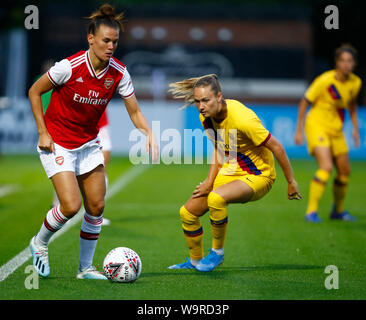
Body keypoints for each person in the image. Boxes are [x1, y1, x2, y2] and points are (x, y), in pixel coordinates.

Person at [28, 4, 158, 279]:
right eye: (106, 41)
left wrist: (148, 132)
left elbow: (134, 110)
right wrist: (42, 132)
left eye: (115, 42)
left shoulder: (119, 73)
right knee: (70, 206)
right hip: (58, 143)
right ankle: (39, 243)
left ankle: (85, 268)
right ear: (91, 39)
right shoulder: (69, 67)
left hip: (88, 144)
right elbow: (34, 91)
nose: (111, 47)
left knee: (97, 206)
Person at [167, 74, 302, 272]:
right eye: (197, 101)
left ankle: (217, 254)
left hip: (259, 175)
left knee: (215, 199)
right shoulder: (205, 117)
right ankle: (195, 261)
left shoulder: (242, 119)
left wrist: (291, 181)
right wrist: (208, 181)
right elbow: (219, 149)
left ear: (219, 97)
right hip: (231, 169)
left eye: (206, 100)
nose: (201, 106)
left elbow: (277, 147)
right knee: (187, 213)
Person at [295, 44, 362, 223]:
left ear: (354, 63)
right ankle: (311, 211)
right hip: (316, 125)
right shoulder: (325, 80)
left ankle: (337, 211)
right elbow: (304, 102)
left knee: (344, 171)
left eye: (350, 61)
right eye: (343, 61)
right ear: (337, 63)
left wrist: (355, 129)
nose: (346, 64)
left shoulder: (356, 83)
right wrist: (298, 130)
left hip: (336, 130)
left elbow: (352, 106)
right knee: (326, 167)